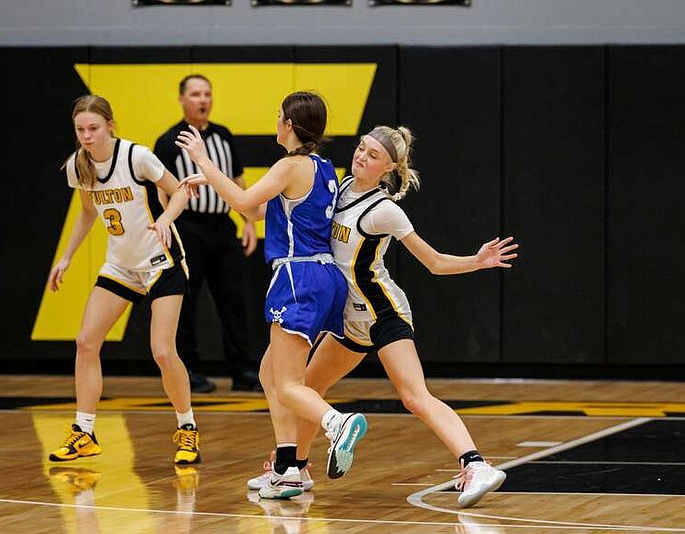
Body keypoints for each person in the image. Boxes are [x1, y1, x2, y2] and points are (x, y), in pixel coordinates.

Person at [247, 126, 518, 508]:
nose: (361, 156)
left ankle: (476, 464)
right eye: (361, 148)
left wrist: (477, 261)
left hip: (383, 314)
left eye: (373, 155)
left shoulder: (386, 210)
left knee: (414, 396)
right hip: (347, 321)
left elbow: (434, 262)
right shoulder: (338, 190)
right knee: (306, 387)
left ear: (388, 167)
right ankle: (296, 468)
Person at [176, 91, 368, 499]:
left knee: (287, 383)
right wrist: (210, 180)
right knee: (269, 374)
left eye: (278, 116)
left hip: (298, 277)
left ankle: (338, 424)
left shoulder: (289, 164)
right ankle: (288, 467)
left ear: (290, 126)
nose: (275, 121)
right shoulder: (321, 167)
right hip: (325, 277)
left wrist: (203, 160)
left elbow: (245, 199)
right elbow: (259, 211)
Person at [47, 94, 201, 466]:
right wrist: (66, 257)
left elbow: (182, 188)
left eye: (93, 128)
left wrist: (165, 220)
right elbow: (87, 213)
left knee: (163, 352)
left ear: (110, 125)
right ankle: (85, 432)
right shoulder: (78, 166)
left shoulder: (136, 157)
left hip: (161, 261)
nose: (86, 136)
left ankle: (187, 428)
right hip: (120, 264)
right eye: (80, 130)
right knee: (86, 343)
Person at [154, 74, 260, 393]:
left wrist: (250, 222)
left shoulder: (224, 136)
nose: (203, 100)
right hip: (187, 228)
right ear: (182, 100)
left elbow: (238, 182)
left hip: (223, 227)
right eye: (196, 94)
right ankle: (189, 371)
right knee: (185, 301)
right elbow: (160, 189)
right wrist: (167, 224)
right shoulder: (168, 140)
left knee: (233, 299)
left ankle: (241, 370)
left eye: (207, 94)